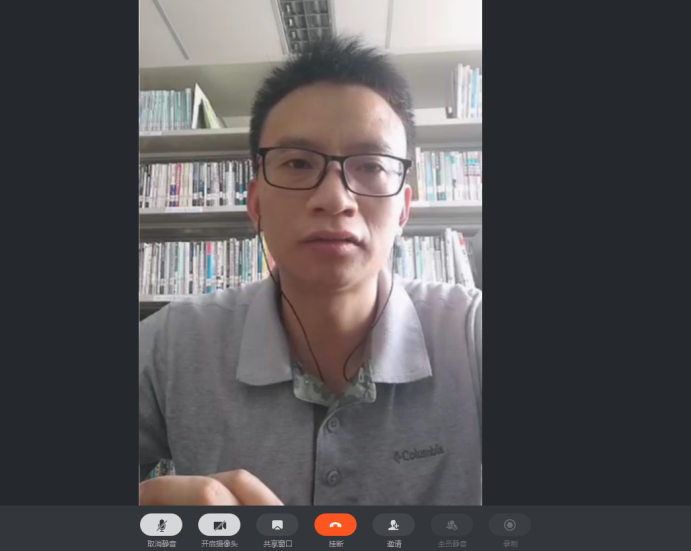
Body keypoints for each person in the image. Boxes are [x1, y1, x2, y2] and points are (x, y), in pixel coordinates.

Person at [138, 35, 482, 506]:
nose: (335, 199)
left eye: (371, 166)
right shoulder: (172, 343)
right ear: (255, 203)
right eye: (298, 163)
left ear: (404, 208)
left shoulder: (470, 334)